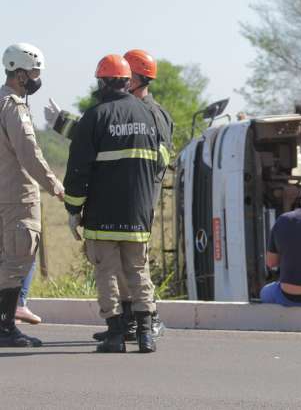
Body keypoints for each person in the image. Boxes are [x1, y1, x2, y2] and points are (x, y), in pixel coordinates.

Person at [44, 49, 172, 342]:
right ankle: (139, 330)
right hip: (137, 209)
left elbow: (84, 158)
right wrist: (61, 122)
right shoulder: (146, 115)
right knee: (136, 270)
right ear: (127, 80)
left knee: (109, 272)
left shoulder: (138, 113)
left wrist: (73, 209)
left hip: (109, 209)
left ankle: (122, 328)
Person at [0, 43, 64, 346]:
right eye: (35, 72)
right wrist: (54, 184)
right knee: (17, 261)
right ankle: (5, 328)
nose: (38, 78)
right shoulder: (13, 106)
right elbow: (28, 153)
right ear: (22, 74)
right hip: (16, 197)